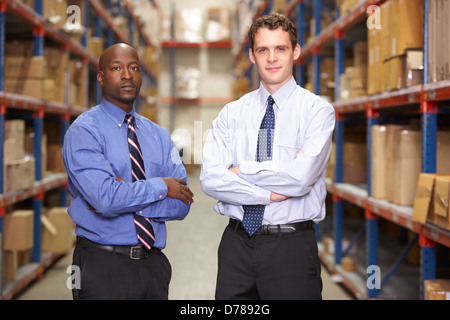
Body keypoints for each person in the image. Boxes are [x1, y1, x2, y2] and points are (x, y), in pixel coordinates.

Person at [200, 13, 335, 300]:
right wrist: (269, 194)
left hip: (291, 248)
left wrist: (240, 171)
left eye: (281, 49)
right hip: (236, 245)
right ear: (252, 55)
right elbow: (211, 179)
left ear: (296, 52)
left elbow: (300, 179)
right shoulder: (231, 114)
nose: (272, 58)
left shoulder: (317, 112)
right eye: (263, 50)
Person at [62, 43, 194, 300]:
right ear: (100, 77)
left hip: (154, 266)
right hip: (102, 266)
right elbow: (105, 199)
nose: (127, 75)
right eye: (116, 67)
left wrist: (125, 196)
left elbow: (183, 204)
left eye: (134, 67)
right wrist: (161, 187)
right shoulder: (84, 131)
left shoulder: (159, 135)